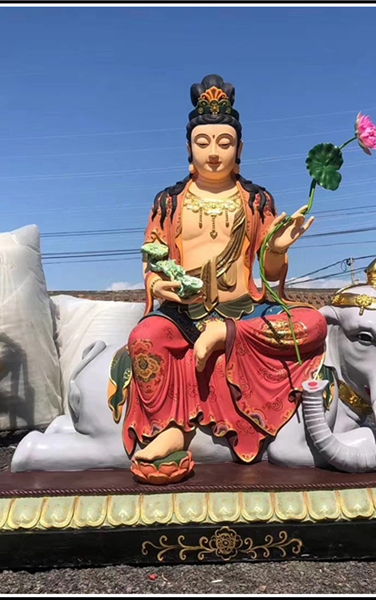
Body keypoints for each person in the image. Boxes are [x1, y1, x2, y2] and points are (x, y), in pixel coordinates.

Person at [110, 74, 327, 477]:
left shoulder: (257, 200)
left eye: (224, 143)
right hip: (183, 315)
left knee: (313, 323)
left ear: (239, 149)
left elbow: (270, 272)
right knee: (144, 338)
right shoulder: (169, 201)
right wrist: (159, 285)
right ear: (188, 148)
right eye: (203, 142)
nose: (213, 153)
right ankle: (171, 431)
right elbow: (152, 258)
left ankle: (226, 336)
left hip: (243, 313)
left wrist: (278, 249)